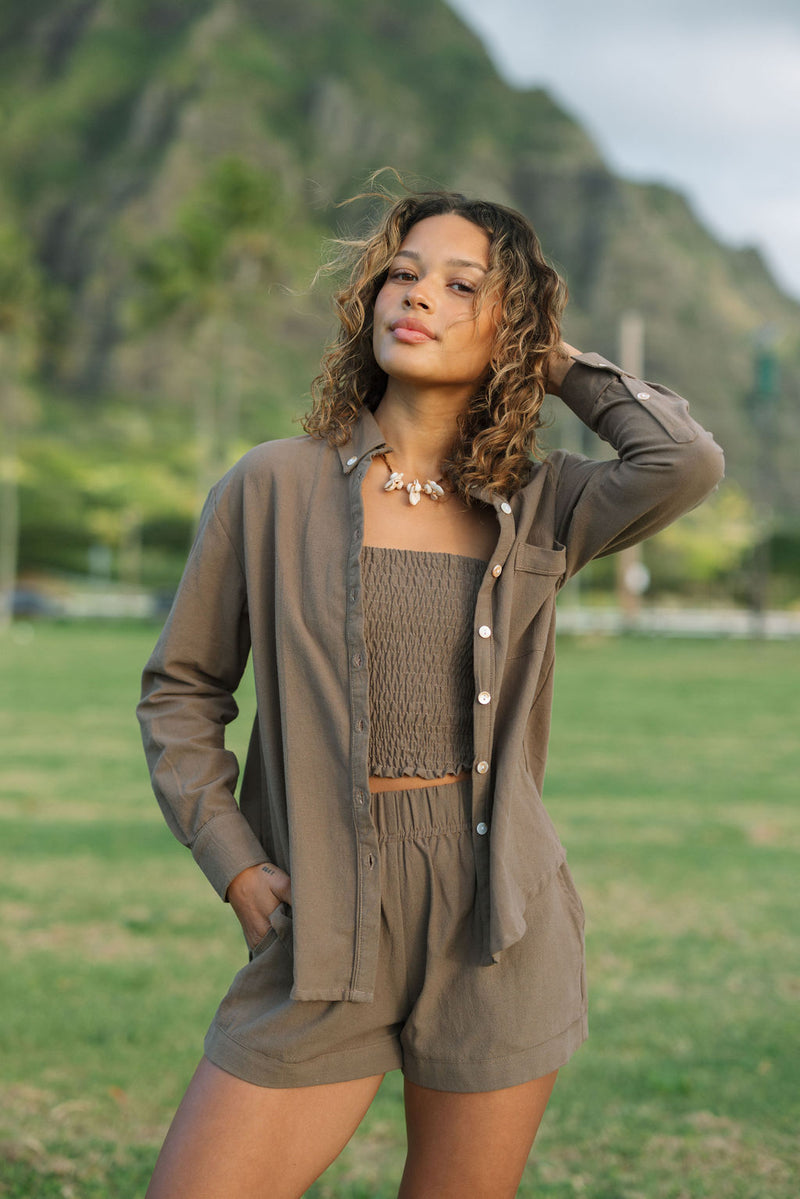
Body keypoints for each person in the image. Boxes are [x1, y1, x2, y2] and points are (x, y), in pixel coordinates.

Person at [137, 187, 724, 1198]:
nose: (418, 296)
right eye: (402, 273)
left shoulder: (543, 504)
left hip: (495, 911)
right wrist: (234, 863)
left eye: (462, 286)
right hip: (322, 903)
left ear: (511, 323)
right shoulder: (272, 486)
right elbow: (180, 691)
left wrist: (547, 355)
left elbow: (682, 459)